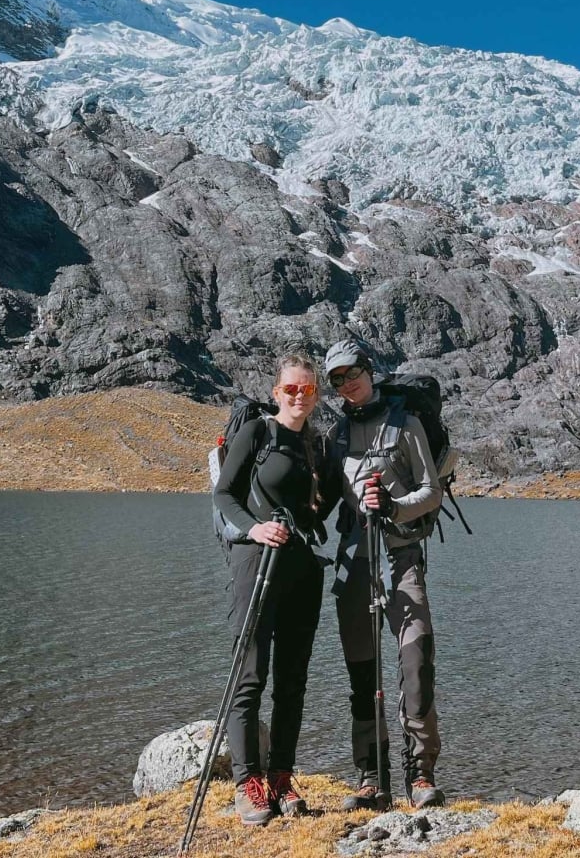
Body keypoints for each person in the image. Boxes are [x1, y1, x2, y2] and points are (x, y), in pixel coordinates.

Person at [211, 354, 338, 826]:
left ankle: (281, 776)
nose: (299, 396)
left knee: (292, 680)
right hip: (256, 563)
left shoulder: (317, 446)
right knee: (250, 675)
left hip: (302, 568)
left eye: (308, 389)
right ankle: (248, 782)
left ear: (316, 394)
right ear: (276, 392)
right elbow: (225, 493)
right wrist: (255, 528)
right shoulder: (257, 433)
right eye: (291, 389)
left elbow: (322, 505)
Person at [323, 339, 446, 811]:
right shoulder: (336, 436)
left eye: (352, 372)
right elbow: (325, 498)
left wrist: (393, 507)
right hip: (354, 561)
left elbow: (431, 491)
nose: (347, 383)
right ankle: (371, 776)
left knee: (416, 661)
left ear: (369, 370)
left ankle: (420, 772)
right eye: (337, 379)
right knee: (362, 670)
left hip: (400, 557)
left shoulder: (406, 424)